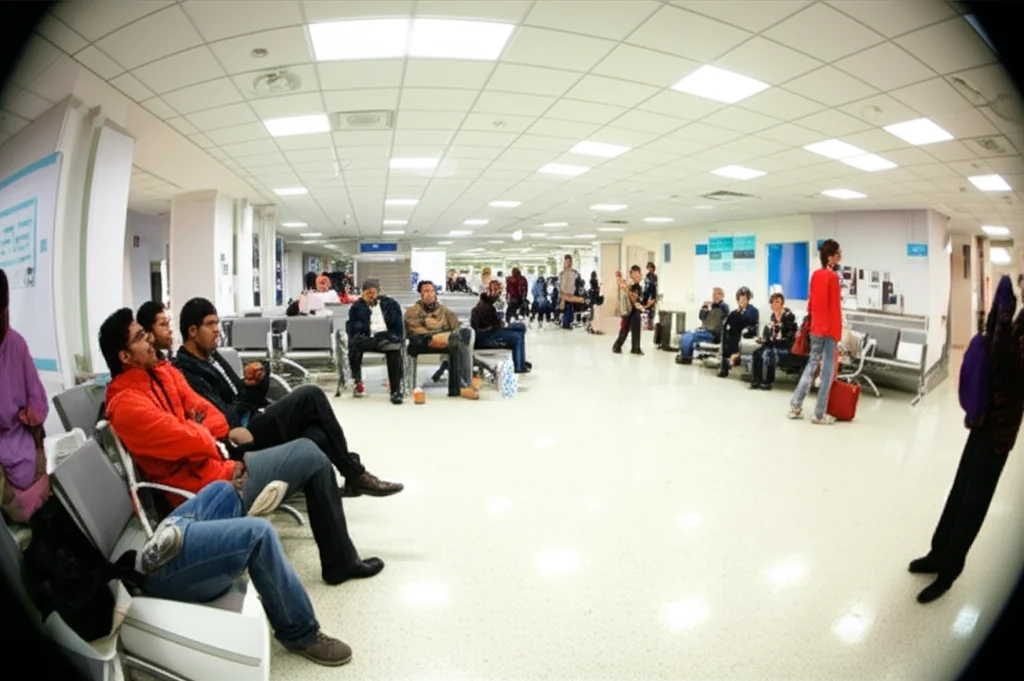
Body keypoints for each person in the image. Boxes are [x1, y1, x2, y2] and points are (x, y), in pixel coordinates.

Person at [100, 307, 385, 585]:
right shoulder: (128, 405)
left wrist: (202, 427)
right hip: (207, 489)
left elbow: (207, 413)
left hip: (222, 459)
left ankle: (341, 553)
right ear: (125, 356)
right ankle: (343, 542)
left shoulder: (163, 374)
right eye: (140, 336)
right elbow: (192, 437)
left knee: (315, 441)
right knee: (311, 440)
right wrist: (201, 430)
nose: (150, 338)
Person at [167, 298, 403, 497]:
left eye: (217, 322)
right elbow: (226, 416)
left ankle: (343, 485)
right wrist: (248, 395)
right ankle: (355, 473)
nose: (217, 329)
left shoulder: (213, 356)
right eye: (210, 324)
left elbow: (241, 394)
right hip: (240, 437)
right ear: (192, 331)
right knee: (311, 395)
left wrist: (255, 382)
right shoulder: (187, 371)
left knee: (317, 435)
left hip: (252, 419)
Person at [137, 480, 353, 666]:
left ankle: (235, 553)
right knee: (259, 533)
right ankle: (301, 635)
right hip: (155, 564)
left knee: (224, 490)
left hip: (164, 531)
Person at [909, 276, 1024, 603]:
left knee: (975, 502)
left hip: (1001, 430)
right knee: (960, 489)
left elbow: (1012, 371)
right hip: (984, 419)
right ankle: (937, 552)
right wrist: (996, 320)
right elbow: (994, 351)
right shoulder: (1021, 317)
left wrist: (1001, 324)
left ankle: (948, 570)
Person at [0, 269, 51, 523]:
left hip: (25, 443)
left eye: (4, 315)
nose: (2, 322)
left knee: (45, 513)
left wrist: (33, 417)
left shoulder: (16, 343)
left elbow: (38, 401)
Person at [788, 239, 843, 423]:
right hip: (829, 330)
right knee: (827, 371)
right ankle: (819, 414)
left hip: (815, 328)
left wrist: (813, 325)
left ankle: (796, 405)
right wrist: (838, 334)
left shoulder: (815, 275)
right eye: (837, 254)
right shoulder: (833, 278)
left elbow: (811, 304)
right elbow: (835, 309)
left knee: (811, 366)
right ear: (830, 258)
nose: (840, 256)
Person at [404, 281, 478, 400]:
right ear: (421, 294)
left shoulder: (444, 310)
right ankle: (465, 386)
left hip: (445, 340)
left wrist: (444, 335)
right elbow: (415, 329)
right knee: (457, 342)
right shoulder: (413, 310)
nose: (430, 294)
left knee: (461, 338)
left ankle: (459, 388)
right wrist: (435, 334)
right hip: (421, 342)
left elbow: (456, 327)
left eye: (432, 291)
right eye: (426, 291)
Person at [347, 279, 405, 404]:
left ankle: (396, 391)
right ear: (362, 293)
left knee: (393, 348)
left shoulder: (391, 304)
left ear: (378, 292)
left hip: (388, 338)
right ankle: (357, 382)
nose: (371, 295)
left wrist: (394, 337)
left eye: (374, 292)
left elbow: (398, 326)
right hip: (368, 339)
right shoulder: (356, 307)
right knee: (355, 344)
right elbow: (353, 330)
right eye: (368, 293)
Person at [471, 279, 531, 374]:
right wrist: (499, 323)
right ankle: (519, 366)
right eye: (494, 290)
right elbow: (489, 324)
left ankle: (520, 360)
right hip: (486, 335)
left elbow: (500, 318)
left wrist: (501, 321)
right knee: (518, 336)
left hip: (493, 331)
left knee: (521, 327)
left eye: (498, 290)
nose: (497, 293)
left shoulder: (492, 302)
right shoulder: (485, 305)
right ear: (489, 291)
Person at [750, 293, 797, 390]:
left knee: (768, 353)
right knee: (756, 353)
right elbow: (772, 335)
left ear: (782, 303)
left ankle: (766, 381)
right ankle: (756, 380)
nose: (775, 304)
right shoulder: (773, 317)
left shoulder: (789, 316)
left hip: (784, 345)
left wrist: (774, 337)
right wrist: (764, 340)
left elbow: (788, 336)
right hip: (773, 343)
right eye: (773, 302)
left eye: (777, 302)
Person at [677, 288, 729, 365]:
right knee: (686, 334)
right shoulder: (710, 308)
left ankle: (686, 357)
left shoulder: (724, 307)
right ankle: (685, 354)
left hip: (712, 334)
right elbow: (701, 317)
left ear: (721, 295)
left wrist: (715, 303)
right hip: (704, 330)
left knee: (689, 336)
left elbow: (724, 309)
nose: (714, 296)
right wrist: (704, 308)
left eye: (716, 294)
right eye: (713, 294)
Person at [717, 286, 760, 378]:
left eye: (744, 299)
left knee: (734, 335)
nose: (742, 301)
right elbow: (727, 323)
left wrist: (740, 313)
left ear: (748, 299)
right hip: (733, 333)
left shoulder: (753, 310)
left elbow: (751, 322)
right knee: (727, 334)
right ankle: (726, 363)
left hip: (747, 332)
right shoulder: (735, 312)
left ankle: (731, 360)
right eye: (740, 299)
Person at [613, 265, 644, 355]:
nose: (636, 277)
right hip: (627, 310)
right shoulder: (628, 284)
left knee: (636, 330)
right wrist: (618, 277)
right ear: (631, 274)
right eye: (634, 274)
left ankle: (635, 348)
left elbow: (638, 299)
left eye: (638, 275)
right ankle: (617, 346)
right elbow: (621, 285)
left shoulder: (639, 287)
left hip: (635, 311)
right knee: (625, 329)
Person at [558, 255, 584, 329]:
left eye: (570, 261)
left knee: (570, 311)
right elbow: (561, 287)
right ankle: (566, 324)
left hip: (571, 295)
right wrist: (562, 299)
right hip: (565, 296)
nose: (569, 263)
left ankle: (568, 324)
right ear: (564, 262)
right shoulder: (562, 273)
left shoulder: (573, 273)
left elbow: (575, 285)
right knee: (567, 310)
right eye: (568, 261)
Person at [641, 262, 658, 330]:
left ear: (653, 268)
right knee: (646, 309)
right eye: (648, 267)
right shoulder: (646, 276)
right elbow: (645, 286)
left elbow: (655, 287)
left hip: (652, 294)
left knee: (652, 310)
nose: (649, 269)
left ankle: (650, 324)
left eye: (651, 267)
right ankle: (646, 324)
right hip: (646, 294)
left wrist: (654, 296)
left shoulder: (655, 277)